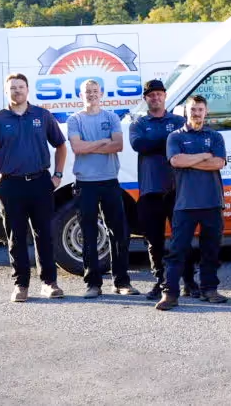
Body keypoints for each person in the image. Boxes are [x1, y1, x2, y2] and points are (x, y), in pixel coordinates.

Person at [0, 73, 67, 302]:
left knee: (45, 235)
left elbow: (60, 145)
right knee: (16, 238)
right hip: (11, 185)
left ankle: (49, 283)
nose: (17, 91)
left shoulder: (42, 115)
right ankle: (21, 285)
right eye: (12, 88)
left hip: (40, 182)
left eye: (20, 87)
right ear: (6, 92)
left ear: (28, 90)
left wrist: (57, 176)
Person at [66, 79, 137, 299]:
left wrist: (91, 145)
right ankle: (93, 284)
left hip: (109, 181)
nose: (91, 95)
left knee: (119, 232)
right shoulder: (74, 119)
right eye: (87, 92)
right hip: (85, 183)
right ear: (80, 95)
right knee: (88, 233)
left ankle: (121, 281)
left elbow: (118, 145)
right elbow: (77, 148)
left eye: (95, 91)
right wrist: (102, 143)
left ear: (102, 93)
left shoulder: (111, 117)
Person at [156, 95, 229, 310]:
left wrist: (192, 160)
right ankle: (170, 294)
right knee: (177, 250)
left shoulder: (215, 136)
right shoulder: (175, 137)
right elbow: (177, 161)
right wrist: (204, 155)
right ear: (185, 112)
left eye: (200, 109)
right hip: (185, 203)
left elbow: (218, 163)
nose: (196, 113)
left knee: (211, 250)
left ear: (206, 112)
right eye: (192, 110)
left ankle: (209, 289)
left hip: (212, 202)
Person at [130, 78, 195, 300]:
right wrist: (169, 142)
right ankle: (160, 282)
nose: (155, 97)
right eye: (151, 95)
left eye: (159, 93)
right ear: (145, 99)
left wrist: (158, 143)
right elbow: (140, 145)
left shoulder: (178, 120)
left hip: (178, 189)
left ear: (165, 96)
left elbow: (187, 144)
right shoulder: (138, 124)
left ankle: (189, 281)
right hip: (151, 191)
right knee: (154, 241)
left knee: (182, 238)